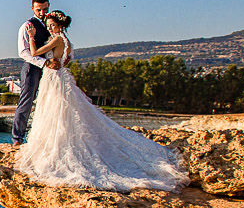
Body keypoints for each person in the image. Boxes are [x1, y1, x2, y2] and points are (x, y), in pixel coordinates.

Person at [15, 10, 188, 192]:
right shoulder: (66, 41)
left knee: (55, 111)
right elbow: (65, 60)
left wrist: (32, 37)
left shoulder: (56, 39)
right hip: (59, 75)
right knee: (62, 111)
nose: (49, 28)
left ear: (60, 25)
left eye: (52, 25)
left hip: (52, 77)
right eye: (48, 25)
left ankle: (54, 146)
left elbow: (33, 52)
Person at [12, 0, 60, 145]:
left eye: (45, 9)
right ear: (32, 8)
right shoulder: (27, 26)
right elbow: (23, 52)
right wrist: (44, 62)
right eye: (39, 10)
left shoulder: (50, 24)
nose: (42, 13)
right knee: (26, 102)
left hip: (50, 70)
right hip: (32, 68)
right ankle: (17, 138)